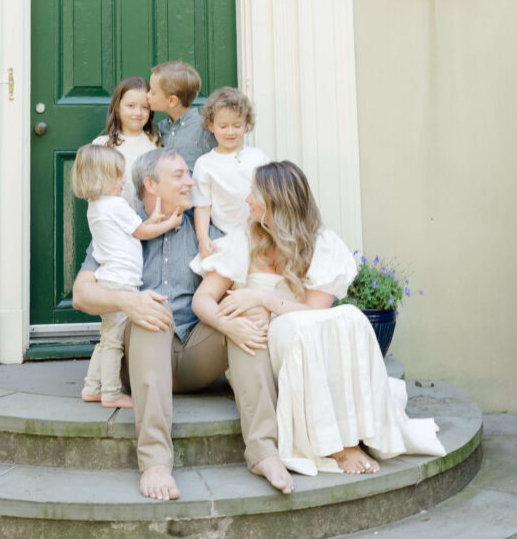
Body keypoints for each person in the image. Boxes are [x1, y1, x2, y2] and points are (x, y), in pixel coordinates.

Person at [193, 161, 446, 483]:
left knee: (343, 317)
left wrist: (263, 299)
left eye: (253, 192)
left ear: (275, 200)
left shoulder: (321, 244)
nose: (246, 199)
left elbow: (317, 313)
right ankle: (335, 446)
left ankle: (348, 437)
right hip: (255, 349)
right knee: (299, 328)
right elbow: (202, 298)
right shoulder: (243, 240)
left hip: (303, 341)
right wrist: (226, 323)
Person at [72, 148, 294, 501]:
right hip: (143, 351)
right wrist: (130, 302)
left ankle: (265, 451)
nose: (191, 181)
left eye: (188, 174)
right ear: (151, 185)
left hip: (196, 352)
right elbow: (82, 295)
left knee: (245, 313)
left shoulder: (207, 231)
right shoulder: (117, 227)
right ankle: (155, 463)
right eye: (178, 175)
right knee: (151, 316)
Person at [72, 144, 183, 409]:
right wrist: (169, 223)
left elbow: (136, 226)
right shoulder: (116, 205)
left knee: (106, 337)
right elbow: (141, 232)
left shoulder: (96, 207)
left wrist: (153, 217)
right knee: (114, 342)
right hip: (122, 281)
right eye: (118, 176)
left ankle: (91, 386)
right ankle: (110, 392)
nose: (123, 181)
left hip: (108, 278)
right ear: (102, 178)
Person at [190, 87, 269, 284]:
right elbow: (202, 204)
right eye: (223, 126)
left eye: (237, 125)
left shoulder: (257, 157)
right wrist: (202, 237)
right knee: (231, 281)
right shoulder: (205, 164)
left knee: (257, 279)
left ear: (247, 125)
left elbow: (272, 195)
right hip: (226, 236)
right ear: (211, 125)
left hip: (261, 233)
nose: (230, 132)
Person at [93, 76, 161, 212]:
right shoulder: (103, 145)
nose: (138, 113)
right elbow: (94, 193)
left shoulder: (155, 140)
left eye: (145, 107)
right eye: (131, 106)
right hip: (116, 223)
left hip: (150, 222)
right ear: (117, 107)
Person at [147, 61, 216, 172]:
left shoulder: (205, 128)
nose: (147, 95)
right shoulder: (161, 128)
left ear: (172, 101)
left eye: (153, 92)